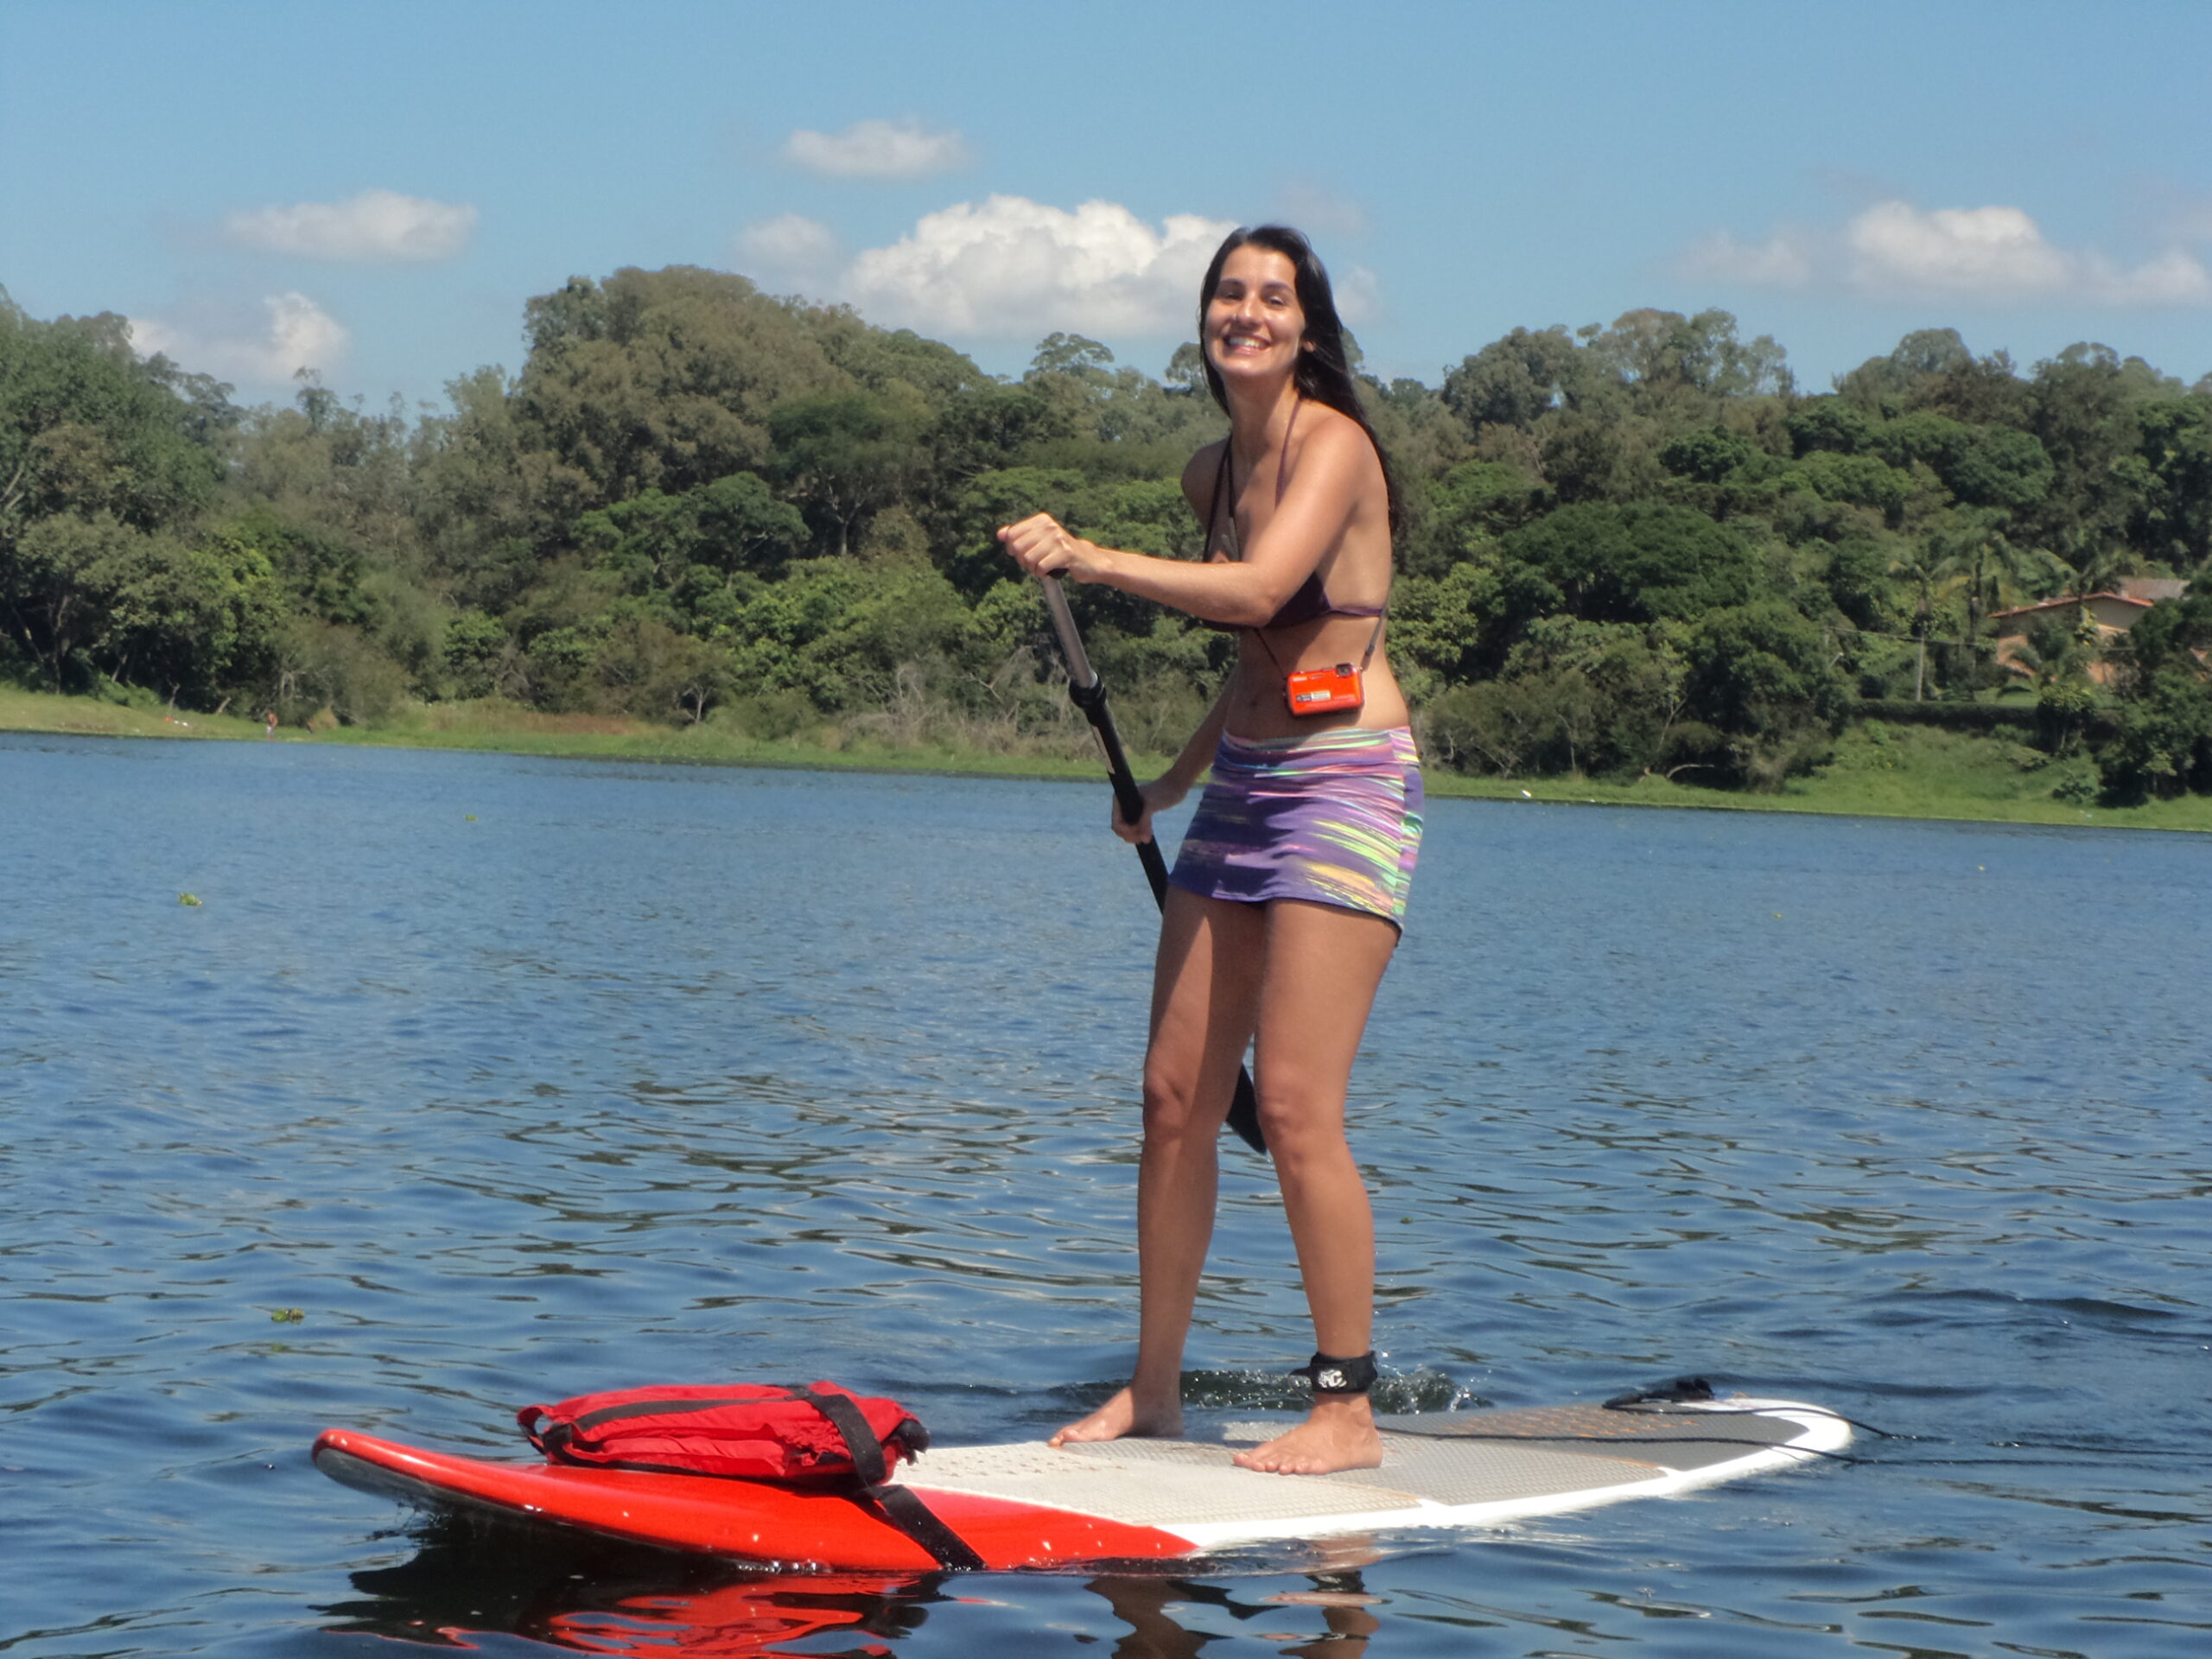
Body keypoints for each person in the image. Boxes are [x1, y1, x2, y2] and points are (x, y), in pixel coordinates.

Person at [998, 226, 1421, 1476]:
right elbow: (1253, 667)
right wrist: (1170, 787)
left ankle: (1345, 1407)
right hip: (1241, 786)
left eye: (1273, 298)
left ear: (1308, 327)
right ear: (1206, 320)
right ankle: (1157, 1389)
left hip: (1345, 787)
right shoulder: (1210, 471)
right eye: (1229, 294)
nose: (1247, 313)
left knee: (1292, 1105)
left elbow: (1256, 594)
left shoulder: (1334, 447)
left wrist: (1086, 556)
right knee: (1174, 1097)